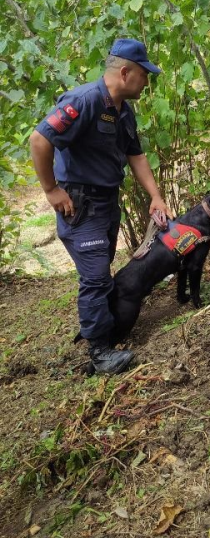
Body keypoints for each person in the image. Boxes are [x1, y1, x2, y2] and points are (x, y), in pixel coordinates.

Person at [30, 38, 172, 375]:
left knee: (101, 272)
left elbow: (135, 155)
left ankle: (105, 328)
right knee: (95, 278)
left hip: (107, 203)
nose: (147, 81)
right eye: (144, 74)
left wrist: (155, 195)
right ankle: (100, 352)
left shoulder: (123, 111)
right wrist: (51, 189)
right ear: (125, 72)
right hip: (80, 205)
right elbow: (40, 139)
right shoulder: (85, 101)